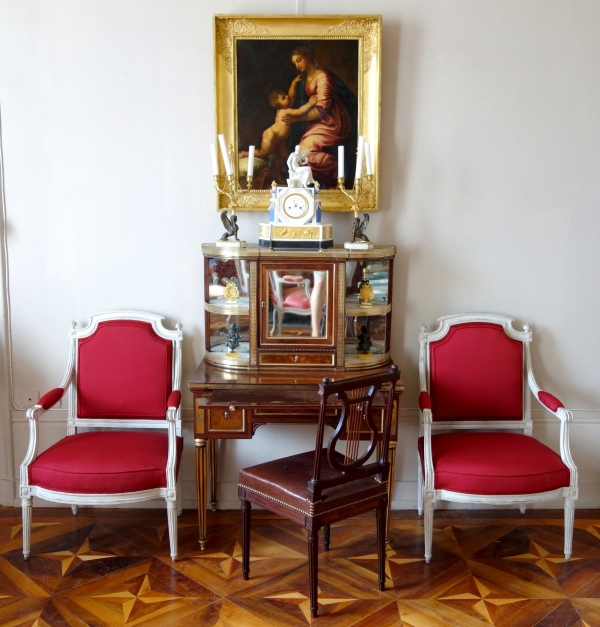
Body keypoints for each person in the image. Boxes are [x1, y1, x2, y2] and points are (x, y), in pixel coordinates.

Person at [282, 44, 358, 188]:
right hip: (317, 122)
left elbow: (322, 109)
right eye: (294, 63)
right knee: (302, 153)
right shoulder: (305, 78)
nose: (297, 65)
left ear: (308, 57)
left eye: (299, 60)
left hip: (332, 121)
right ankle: (327, 180)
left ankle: (337, 174)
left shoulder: (323, 78)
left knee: (306, 154)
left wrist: (298, 118)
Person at [239, 80, 318, 174]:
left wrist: (293, 83)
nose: (287, 97)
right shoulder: (284, 112)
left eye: (285, 95)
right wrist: (310, 104)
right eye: (283, 98)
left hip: (280, 140)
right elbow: (299, 112)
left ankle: (275, 172)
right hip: (271, 136)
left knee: (283, 155)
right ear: (279, 106)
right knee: (263, 154)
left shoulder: (286, 108)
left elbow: (291, 96)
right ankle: (245, 153)